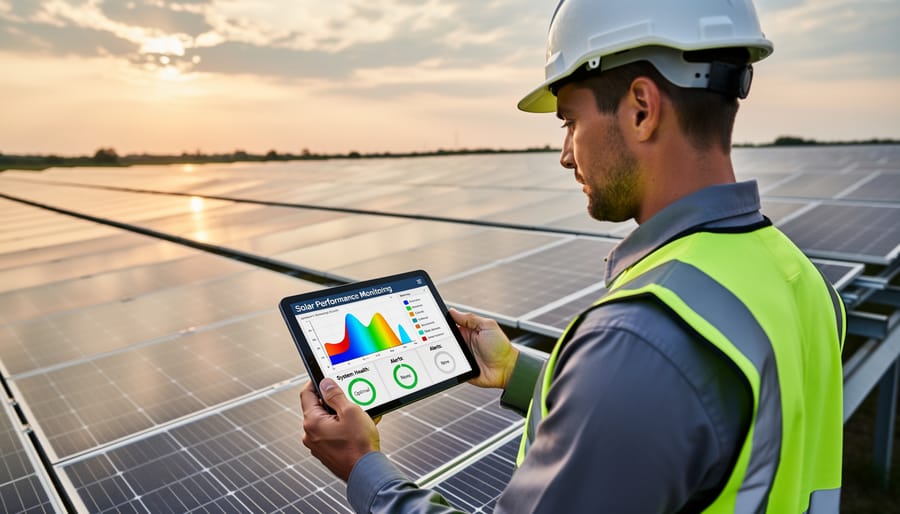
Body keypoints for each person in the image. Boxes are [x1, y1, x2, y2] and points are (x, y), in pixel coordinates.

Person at [300, 0, 846, 512]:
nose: (565, 154)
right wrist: (516, 371)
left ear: (641, 110)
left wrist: (363, 468)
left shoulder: (639, 339)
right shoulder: (797, 276)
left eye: (569, 121)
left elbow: (644, 381)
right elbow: (680, 416)